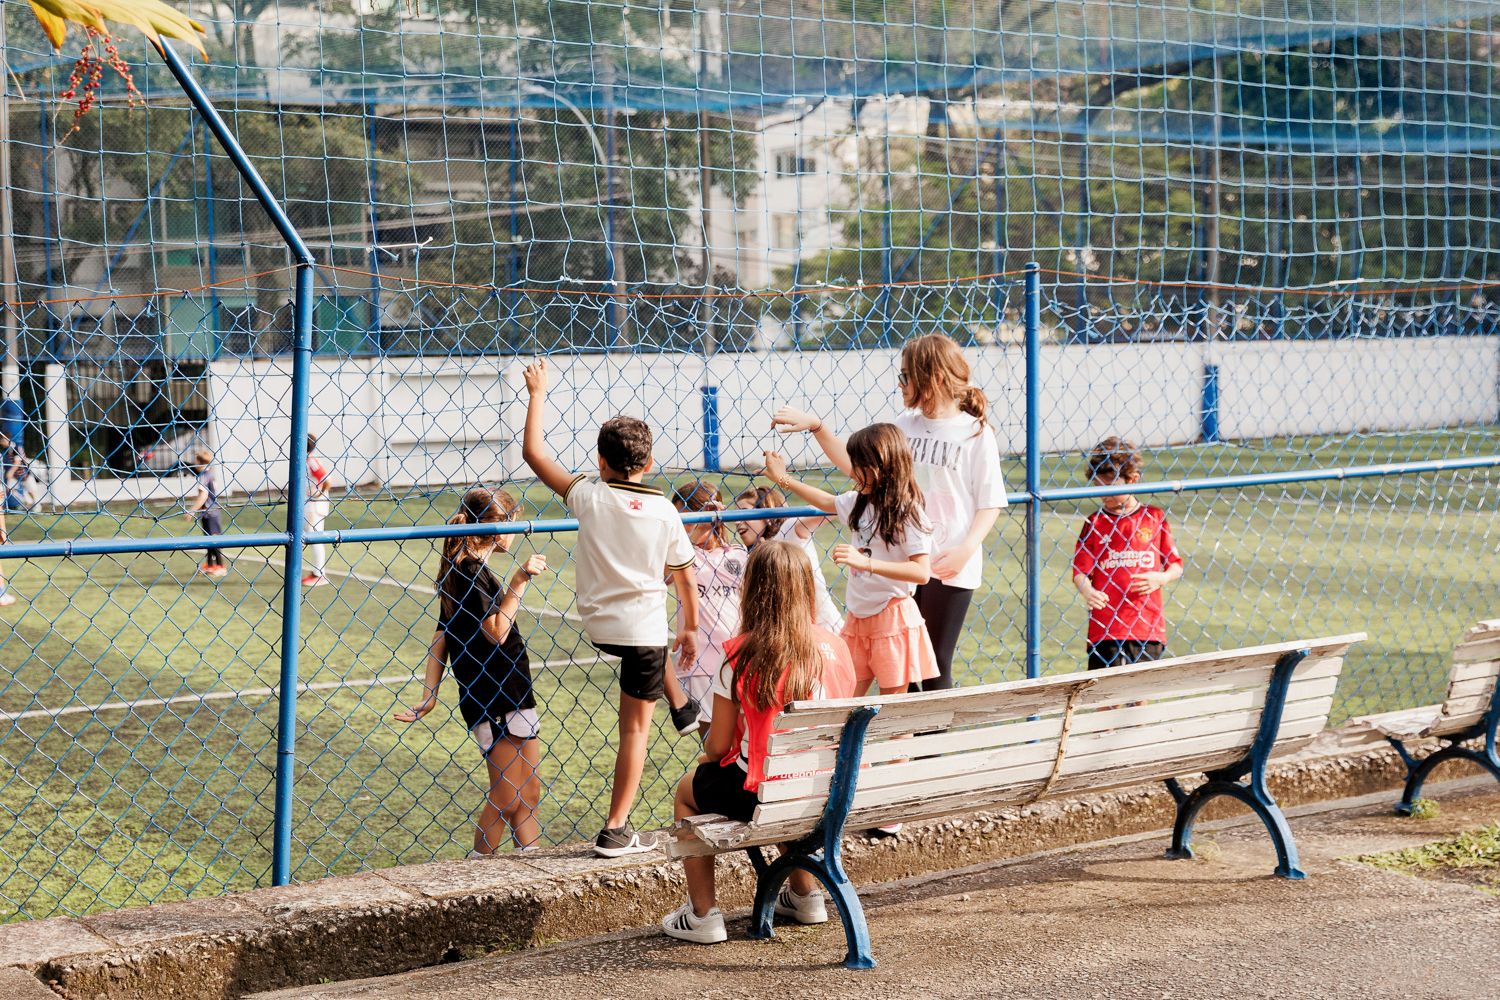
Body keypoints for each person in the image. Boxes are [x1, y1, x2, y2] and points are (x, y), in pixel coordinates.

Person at [519, 357, 703, 858]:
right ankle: (616, 829)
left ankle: (682, 707)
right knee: (635, 730)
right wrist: (690, 628)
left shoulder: (589, 495)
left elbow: (534, 453)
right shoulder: (664, 510)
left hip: (599, 625)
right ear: (649, 463)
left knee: (649, 648)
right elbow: (685, 577)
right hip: (643, 634)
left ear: (600, 461)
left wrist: (537, 393)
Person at [772, 332, 1005, 691]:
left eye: (905, 375)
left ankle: (931, 730)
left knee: (934, 665)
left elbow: (990, 502)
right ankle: (905, 729)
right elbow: (857, 467)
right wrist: (818, 428)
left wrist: (966, 549)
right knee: (904, 668)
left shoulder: (975, 432)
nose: (900, 383)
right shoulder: (904, 425)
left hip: (947, 562)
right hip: (899, 559)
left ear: (933, 377)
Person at [661, 540, 857, 944]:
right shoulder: (837, 647)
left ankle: (703, 915)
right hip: (829, 789)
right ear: (806, 588)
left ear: (752, 590)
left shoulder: (741, 655)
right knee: (787, 776)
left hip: (769, 793)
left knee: (687, 790)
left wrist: (709, 759)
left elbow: (717, 747)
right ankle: (804, 895)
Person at [393, 487, 548, 854]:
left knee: (528, 792)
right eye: (514, 523)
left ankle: (532, 865)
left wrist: (430, 695)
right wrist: (519, 581)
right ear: (498, 526)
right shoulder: (469, 572)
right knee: (507, 795)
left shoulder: (467, 569)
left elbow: (441, 636)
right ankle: (477, 870)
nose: (517, 532)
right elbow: (496, 632)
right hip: (492, 695)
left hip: (513, 690)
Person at [762, 423, 937, 696]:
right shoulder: (860, 502)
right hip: (857, 619)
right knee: (841, 699)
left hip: (892, 620)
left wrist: (865, 563)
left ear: (881, 466)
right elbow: (826, 501)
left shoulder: (907, 512)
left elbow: (921, 571)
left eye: (858, 465)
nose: (852, 472)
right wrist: (782, 479)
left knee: (891, 710)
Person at [1071, 437, 1183, 671]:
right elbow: (1079, 571)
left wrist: (1160, 578)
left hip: (1146, 626)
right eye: (1098, 487)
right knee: (1104, 690)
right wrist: (1088, 591)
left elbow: (1175, 565)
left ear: (1132, 479)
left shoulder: (1154, 517)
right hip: (1106, 628)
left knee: (1142, 689)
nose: (1104, 494)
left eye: (1110, 487)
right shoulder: (1094, 523)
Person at [673, 481, 748, 735]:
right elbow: (660, 574)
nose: (681, 527)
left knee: (744, 735)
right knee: (714, 740)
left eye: (686, 519)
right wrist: (692, 534)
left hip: (739, 656)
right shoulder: (681, 555)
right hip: (700, 660)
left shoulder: (737, 554)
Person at [733, 484, 842, 632]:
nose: (737, 521)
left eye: (744, 513)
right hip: (790, 634)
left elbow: (832, 507)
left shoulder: (788, 531)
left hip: (824, 628)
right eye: (735, 515)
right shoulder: (747, 555)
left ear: (766, 512)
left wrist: (847, 503)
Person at [186, 448, 227, 578]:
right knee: (209, 539)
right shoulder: (210, 474)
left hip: (210, 512)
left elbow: (203, 496)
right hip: (209, 511)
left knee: (213, 539)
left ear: (199, 461)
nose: (194, 463)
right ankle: (210, 565)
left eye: (196, 461)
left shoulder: (204, 476)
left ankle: (220, 567)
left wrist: (192, 511)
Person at [302, 433, 333, 587]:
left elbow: (326, 479)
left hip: (315, 505)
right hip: (309, 503)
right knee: (305, 535)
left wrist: (318, 493)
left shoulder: (311, 461)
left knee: (315, 538)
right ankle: (316, 572)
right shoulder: (306, 460)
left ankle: (319, 574)